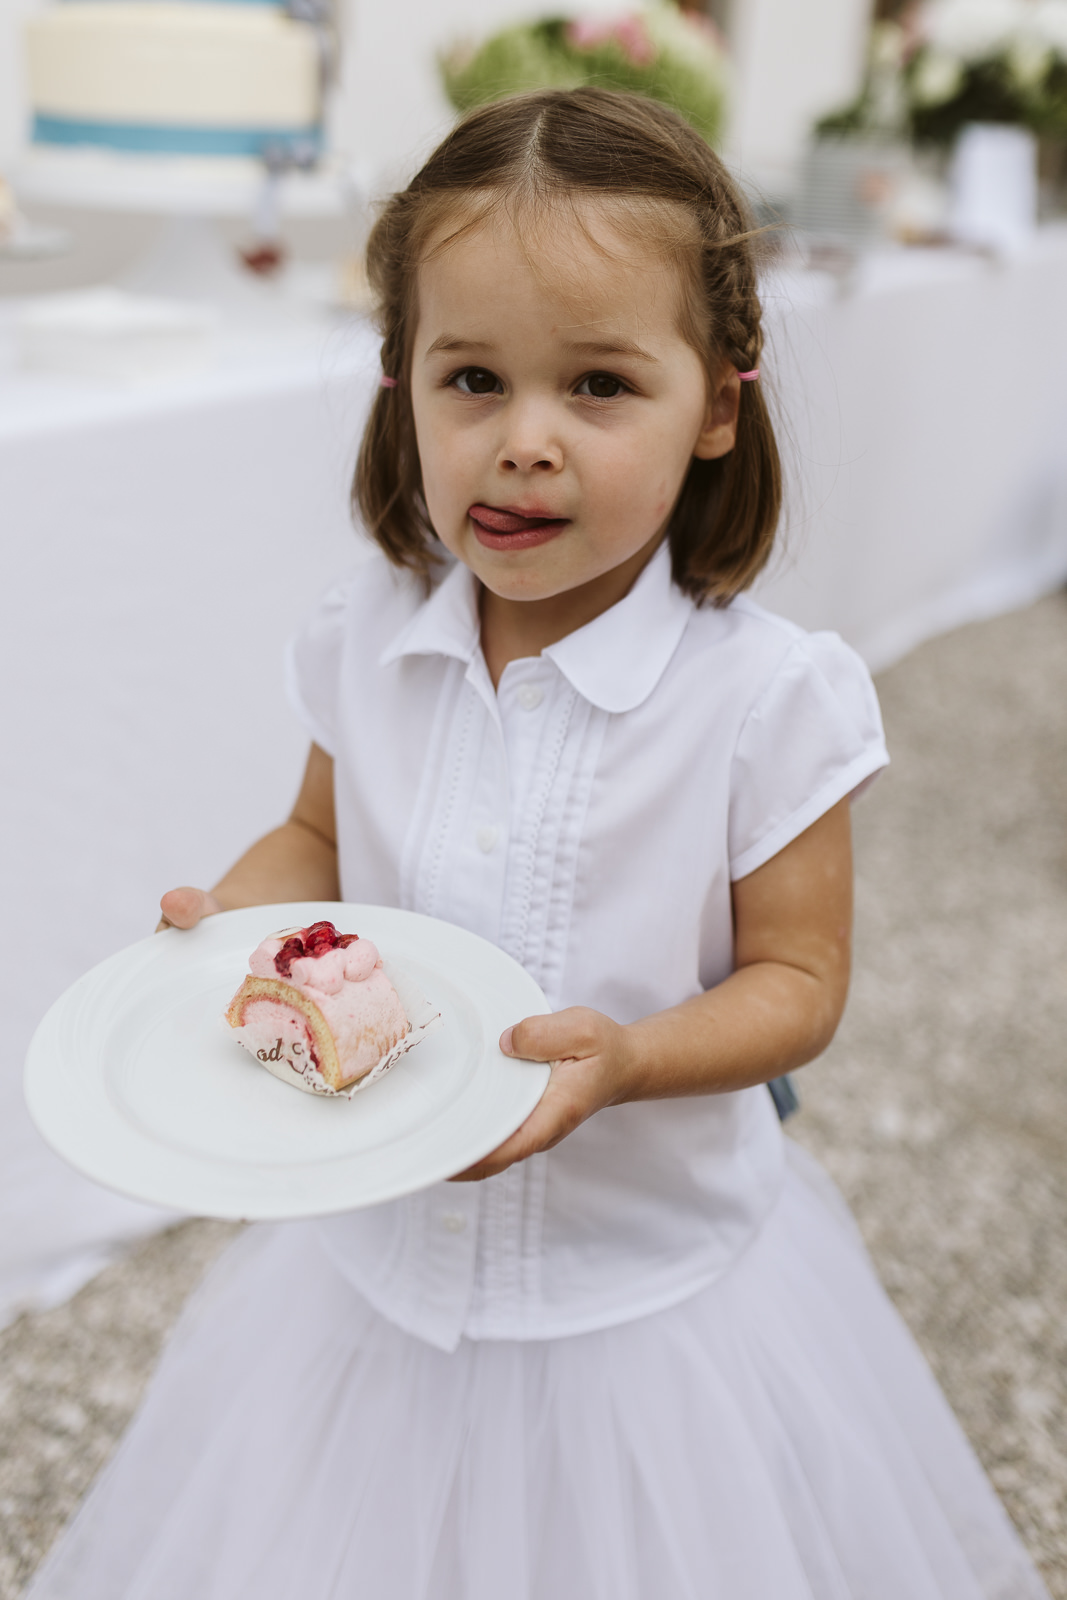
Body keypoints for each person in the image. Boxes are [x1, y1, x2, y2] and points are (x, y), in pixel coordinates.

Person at [28, 89, 1048, 1600]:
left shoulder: (765, 701)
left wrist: (630, 1060)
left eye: (598, 386)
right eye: (472, 379)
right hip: (378, 1282)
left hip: (643, 1298)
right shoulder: (369, 637)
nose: (522, 445)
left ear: (718, 403)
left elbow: (800, 979)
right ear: (402, 388)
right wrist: (239, 927)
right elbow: (318, 830)